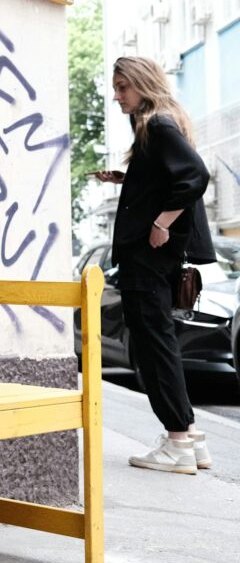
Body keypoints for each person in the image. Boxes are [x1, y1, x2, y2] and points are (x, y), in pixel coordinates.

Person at [93, 56, 214, 475]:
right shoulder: (157, 125)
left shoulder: (158, 124)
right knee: (160, 343)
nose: (117, 95)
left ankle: (177, 440)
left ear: (143, 84)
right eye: (116, 86)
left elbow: (195, 176)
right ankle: (190, 437)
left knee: (152, 346)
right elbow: (167, 178)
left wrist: (161, 222)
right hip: (152, 255)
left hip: (147, 256)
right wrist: (128, 179)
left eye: (123, 86)